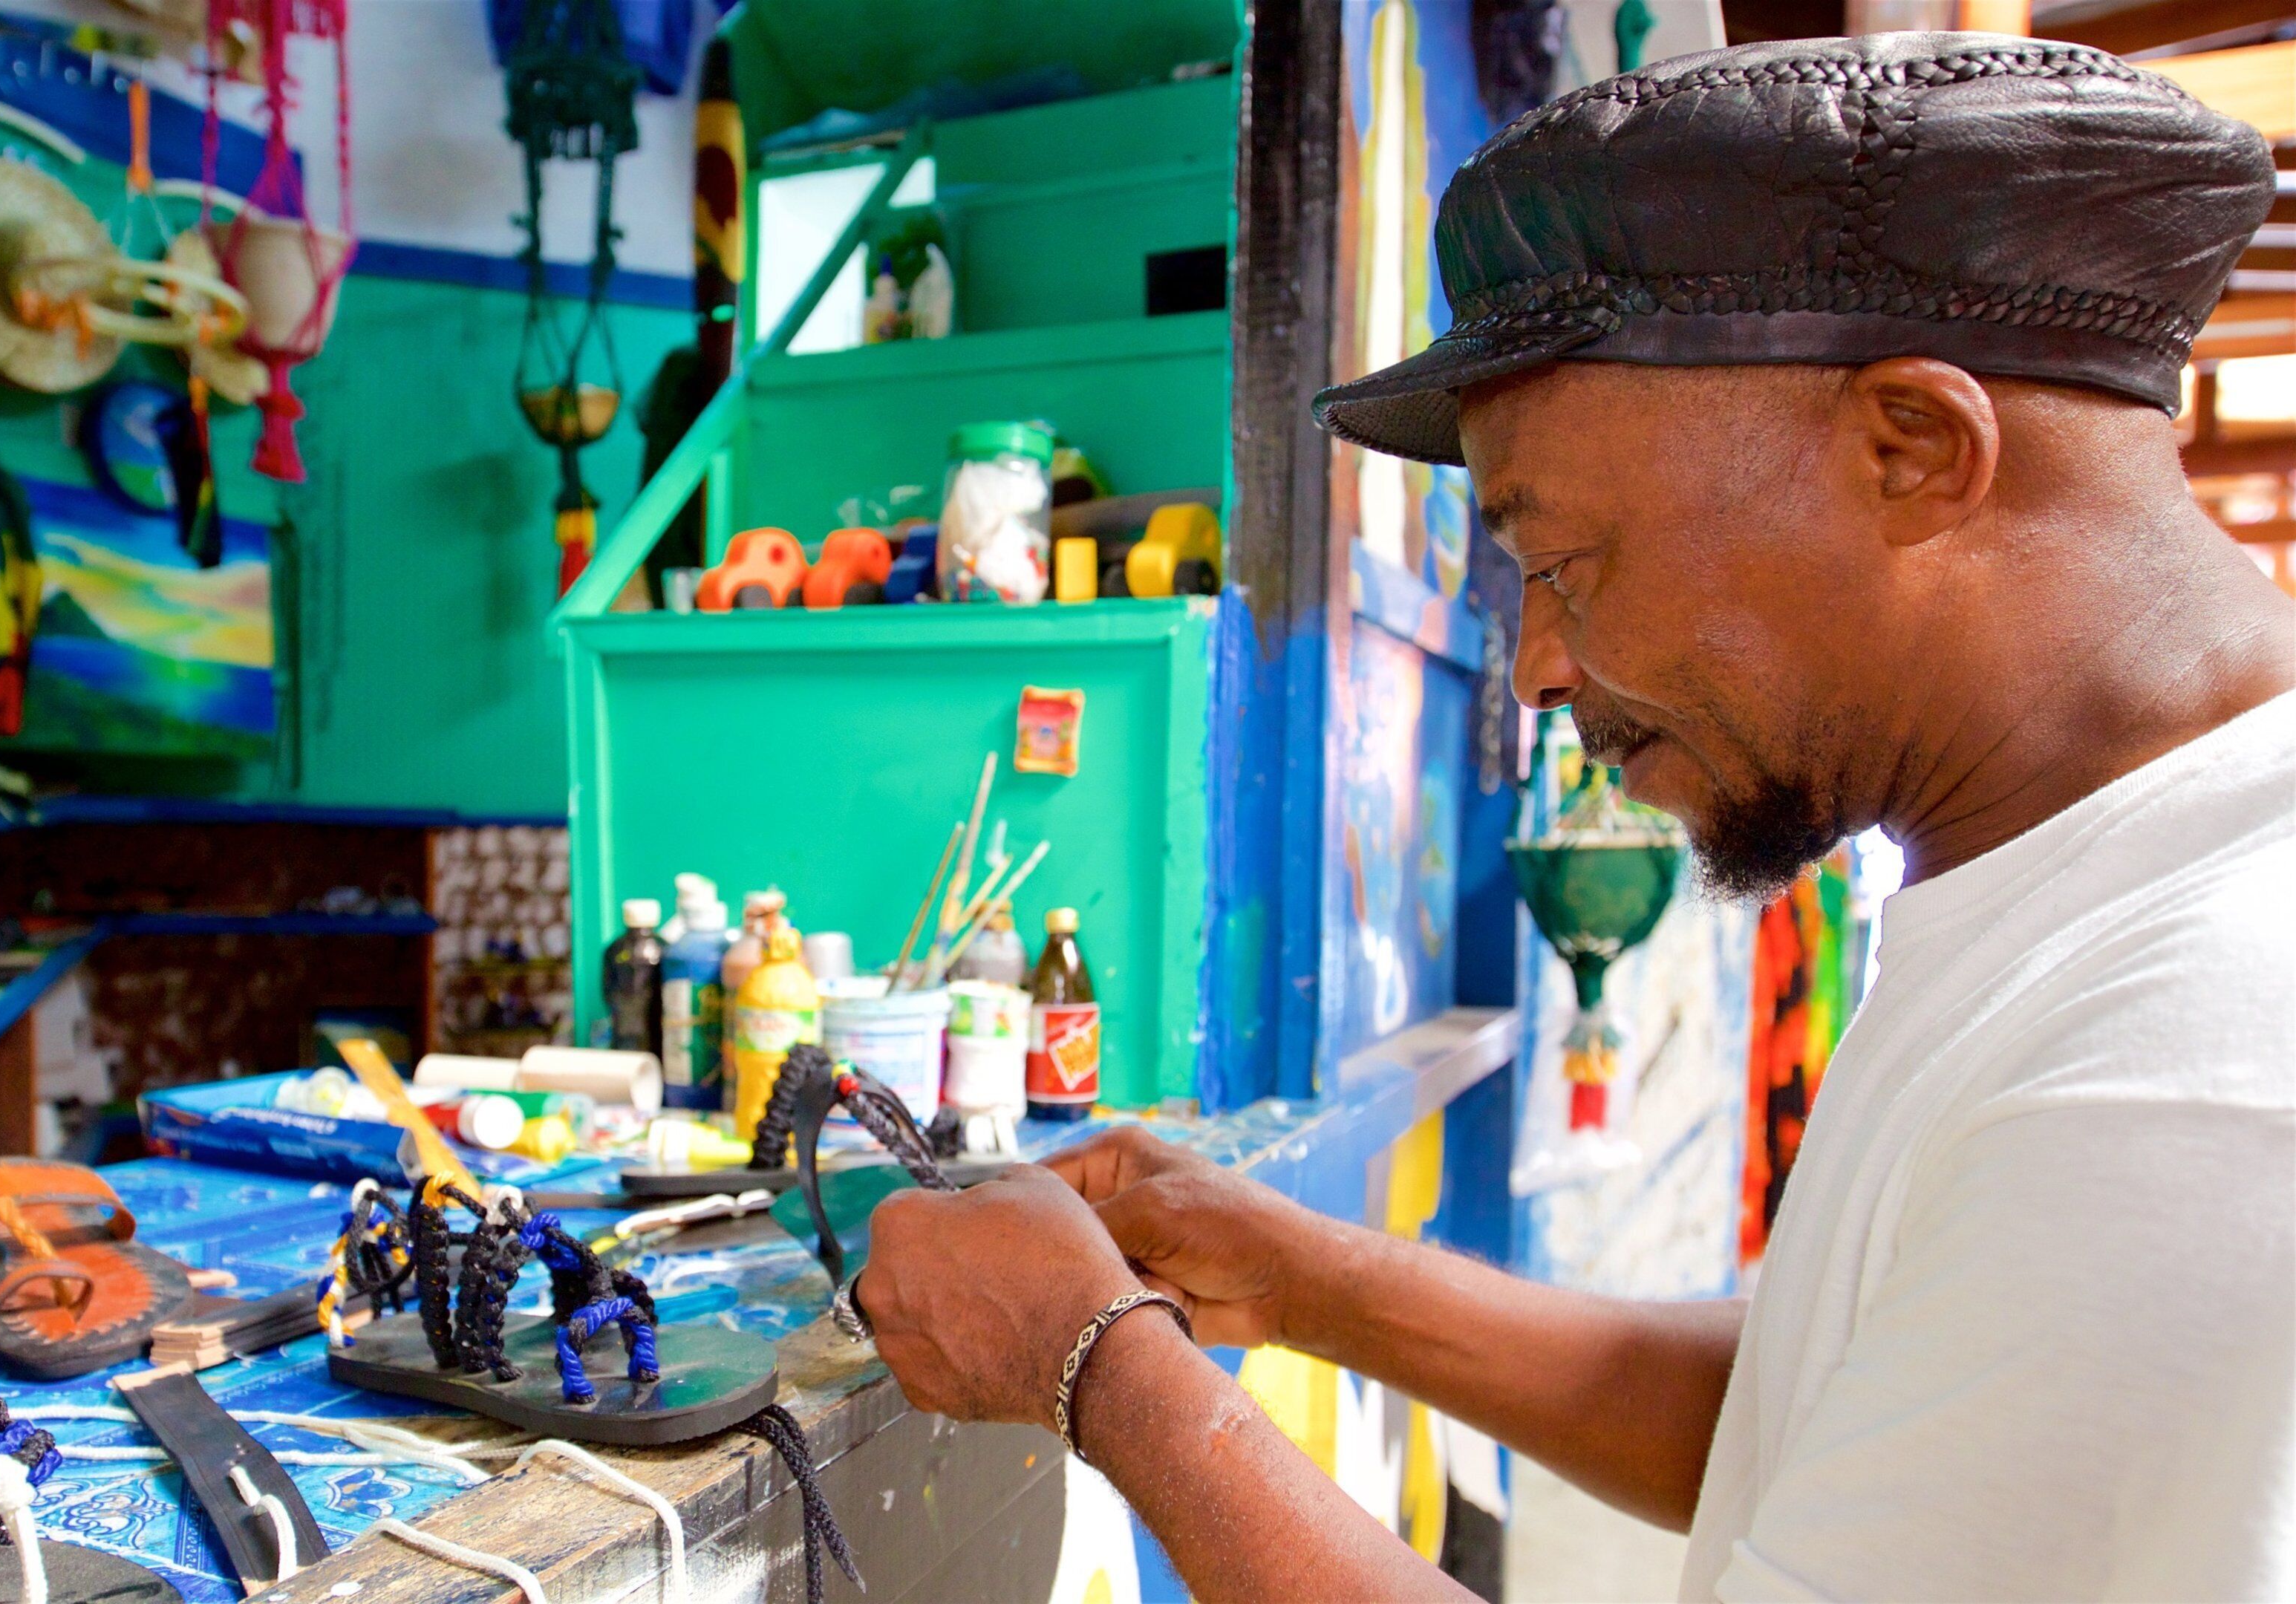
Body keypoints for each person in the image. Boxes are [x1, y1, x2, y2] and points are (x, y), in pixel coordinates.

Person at [855, 32, 2293, 1601]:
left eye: (1568, 563)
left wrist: (1101, 1373)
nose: (1538, 669)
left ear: (1916, 451)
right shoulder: (2090, 888)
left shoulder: (2205, 1054)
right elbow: (1846, 1424)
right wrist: (1302, 1275)